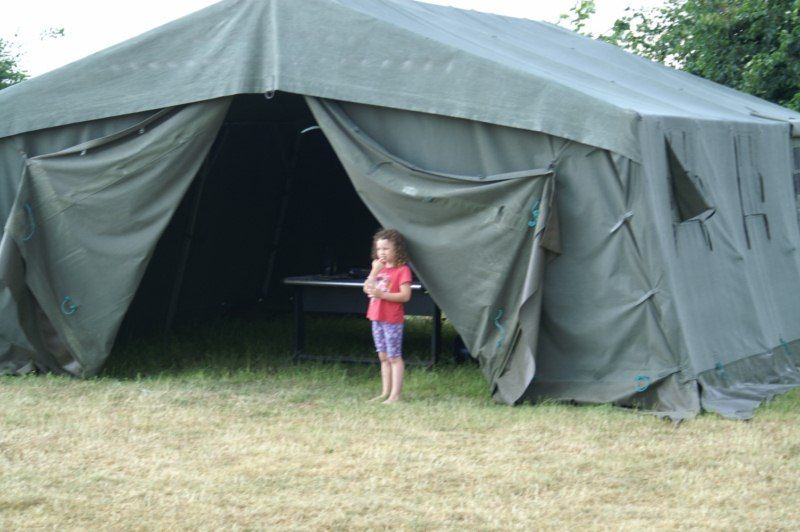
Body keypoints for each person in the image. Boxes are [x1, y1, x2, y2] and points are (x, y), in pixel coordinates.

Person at [363, 228, 412, 403]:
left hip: (392, 318)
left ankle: (395, 395)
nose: (382, 252)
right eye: (379, 249)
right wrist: (374, 272)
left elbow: (405, 296)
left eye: (386, 249)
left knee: (393, 357)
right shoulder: (378, 268)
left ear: (397, 249)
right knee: (383, 356)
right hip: (376, 316)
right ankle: (385, 392)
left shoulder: (402, 270)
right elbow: (366, 288)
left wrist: (383, 295)